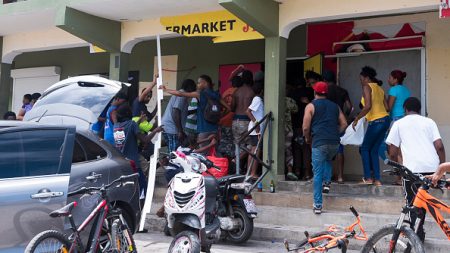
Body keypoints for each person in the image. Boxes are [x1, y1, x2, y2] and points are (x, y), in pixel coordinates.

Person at [386, 97, 445, 241]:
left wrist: (398, 168)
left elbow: (392, 152)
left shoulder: (399, 123)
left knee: (412, 202)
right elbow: (440, 147)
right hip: (431, 169)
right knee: (422, 200)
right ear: (419, 110)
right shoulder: (429, 122)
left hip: (412, 170)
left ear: (405, 109)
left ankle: (416, 234)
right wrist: (441, 170)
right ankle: (419, 231)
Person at [303, 82, 347, 214]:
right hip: (334, 142)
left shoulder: (310, 106)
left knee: (317, 173)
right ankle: (327, 183)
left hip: (319, 141)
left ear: (315, 92)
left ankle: (317, 204)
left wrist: (307, 138)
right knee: (328, 159)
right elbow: (344, 123)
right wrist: (335, 133)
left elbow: (305, 127)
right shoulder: (335, 106)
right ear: (326, 93)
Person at [161, 75, 230, 150]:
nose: (197, 85)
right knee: (213, 152)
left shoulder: (199, 94)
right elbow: (229, 108)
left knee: (203, 154)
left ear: (205, 83)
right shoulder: (217, 95)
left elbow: (180, 94)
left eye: (199, 83)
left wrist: (165, 90)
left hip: (203, 130)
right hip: (215, 129)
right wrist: (220, 116)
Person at [113, 104, 163, 197]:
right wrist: (156, 130)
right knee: (142, 186)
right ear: (128, 113)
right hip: (133, 163)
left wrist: (140, 119)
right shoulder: (131, 124)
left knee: (129, 188)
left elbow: (129, 128)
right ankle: (142, 206)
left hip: (121, 162)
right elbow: (145, 139)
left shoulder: (116, 126)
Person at [352, 66, 390, 186]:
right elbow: (387, 108)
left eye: (361, 79)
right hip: (385, 120)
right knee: (373, 150)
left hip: (376, 121)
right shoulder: (380, 88)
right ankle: (377, 180)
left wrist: (357, 119)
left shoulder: (367, 87)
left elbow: (367, 106)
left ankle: (368, 178)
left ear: (367, 78)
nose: (361, 81)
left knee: (364, 148)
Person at [323, 70, 353, 184]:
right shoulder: (343, 91)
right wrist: (346, 116)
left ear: (325, 81)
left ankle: (327, 176)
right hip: (340, 123)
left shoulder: (325, 92)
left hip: (327, 123)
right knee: (340, 149)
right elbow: (350, 107)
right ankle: (340, 176)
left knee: (326, 148)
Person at [385, 69, 411, 185]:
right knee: (402, 150)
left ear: (395, 79)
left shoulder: (393, 89)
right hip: (406, 120)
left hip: (395, 121)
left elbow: (388, 108)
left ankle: (399, 178)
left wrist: (382, 99)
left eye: (390, 78)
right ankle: (404, 177)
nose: (388, 80)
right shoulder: (406, 90)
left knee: (393, 151)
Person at [161, 79, 197, 152]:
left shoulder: (181, 94)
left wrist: (196, 111)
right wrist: (180, 131)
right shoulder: (182, 95)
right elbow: (176, 113)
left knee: (175, 150)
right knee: (174, 152)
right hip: (172, 128)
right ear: (190, 87)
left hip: (169, 126)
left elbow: (182, 113)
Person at [291, 77, 314, 180]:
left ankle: (297, 171)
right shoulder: (309, 92)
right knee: (306, 150)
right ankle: (307, 173)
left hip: (295, 126)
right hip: (307, 125)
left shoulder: (292, 94)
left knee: (296, 149)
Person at [231, 70, 255, 151]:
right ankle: (241, 161)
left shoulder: (236, 91)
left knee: (237, 146)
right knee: (251, 146)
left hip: (236, 121)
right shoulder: (252, 92)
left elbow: (232, 108)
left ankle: (237, 162)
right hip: (247, 121)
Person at [246, 81, 264, 180]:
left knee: (253, 150)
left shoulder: (257, 99)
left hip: (255, 129)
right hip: (256, 129)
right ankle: (253, 173)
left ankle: (250, 172)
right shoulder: (257, 99)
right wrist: (256, 123)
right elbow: (248, 111)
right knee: (256, 150)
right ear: (261, 91)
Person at [285, 88, 299, 181]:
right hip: (287, 128)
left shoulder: (269, 99)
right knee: (288, 150)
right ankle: (289, 171)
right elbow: (296, 110)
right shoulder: (289, 100)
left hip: (274, 128)